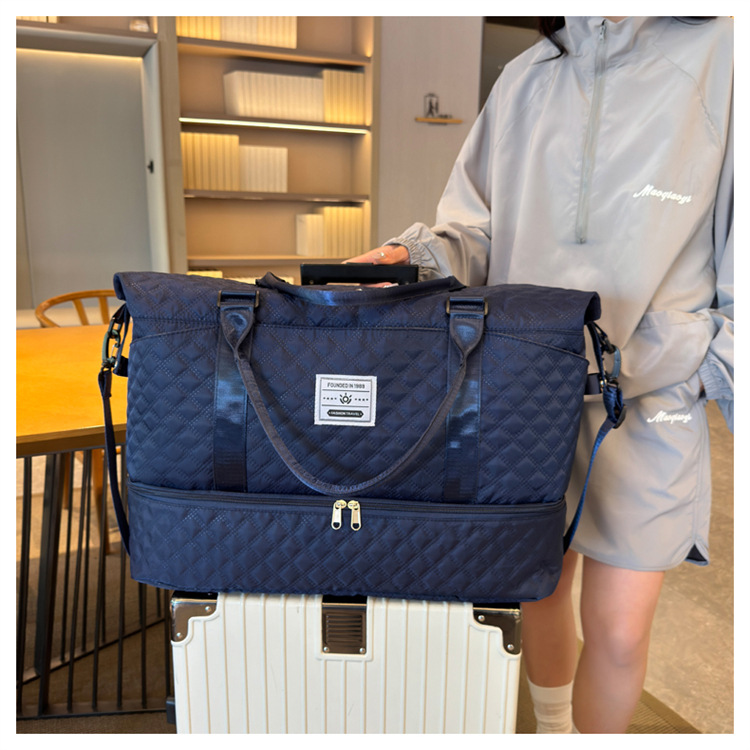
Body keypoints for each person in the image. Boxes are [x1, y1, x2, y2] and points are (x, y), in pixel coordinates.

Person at [346, 16, 734, 733]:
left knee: (620, 631)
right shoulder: (524, 76)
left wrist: (711, 360)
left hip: (649, 398)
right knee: (538, 593)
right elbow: (477, 229)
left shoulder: (726, 55)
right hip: (526, 388)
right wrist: (416, 259)